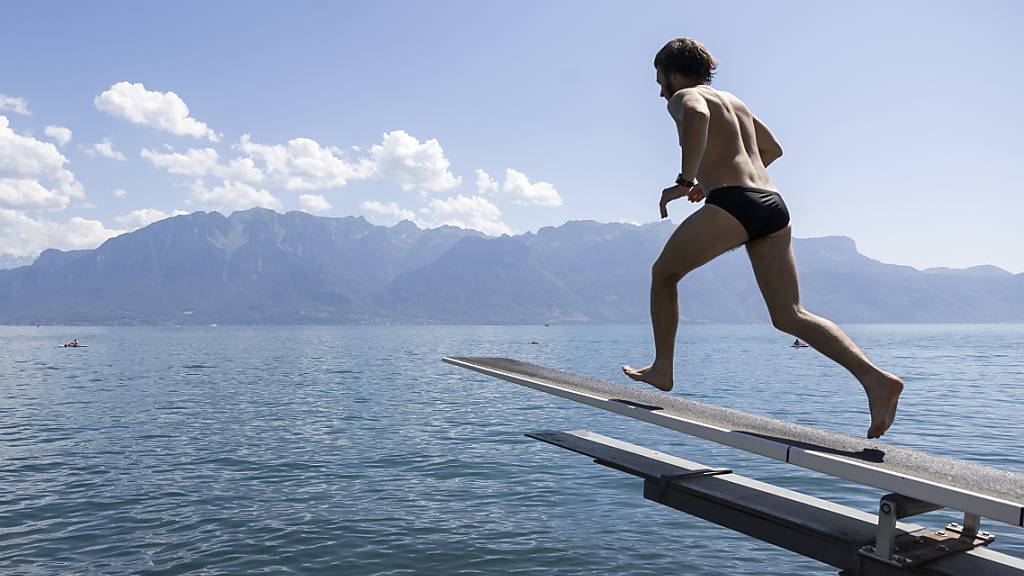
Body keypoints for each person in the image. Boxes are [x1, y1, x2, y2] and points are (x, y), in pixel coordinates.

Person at [623, 38, 903, 439]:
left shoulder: (686, 95)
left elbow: (697, 117)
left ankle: (663, 368)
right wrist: (716, 178)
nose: (660, 90)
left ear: (675, 72)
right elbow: (771, 149)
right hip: (772, 204)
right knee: (790, 314)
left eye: (660, 79)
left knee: (663, 274)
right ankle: (877, 381)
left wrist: (686, 182)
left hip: (735, 203)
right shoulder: (735, 102)